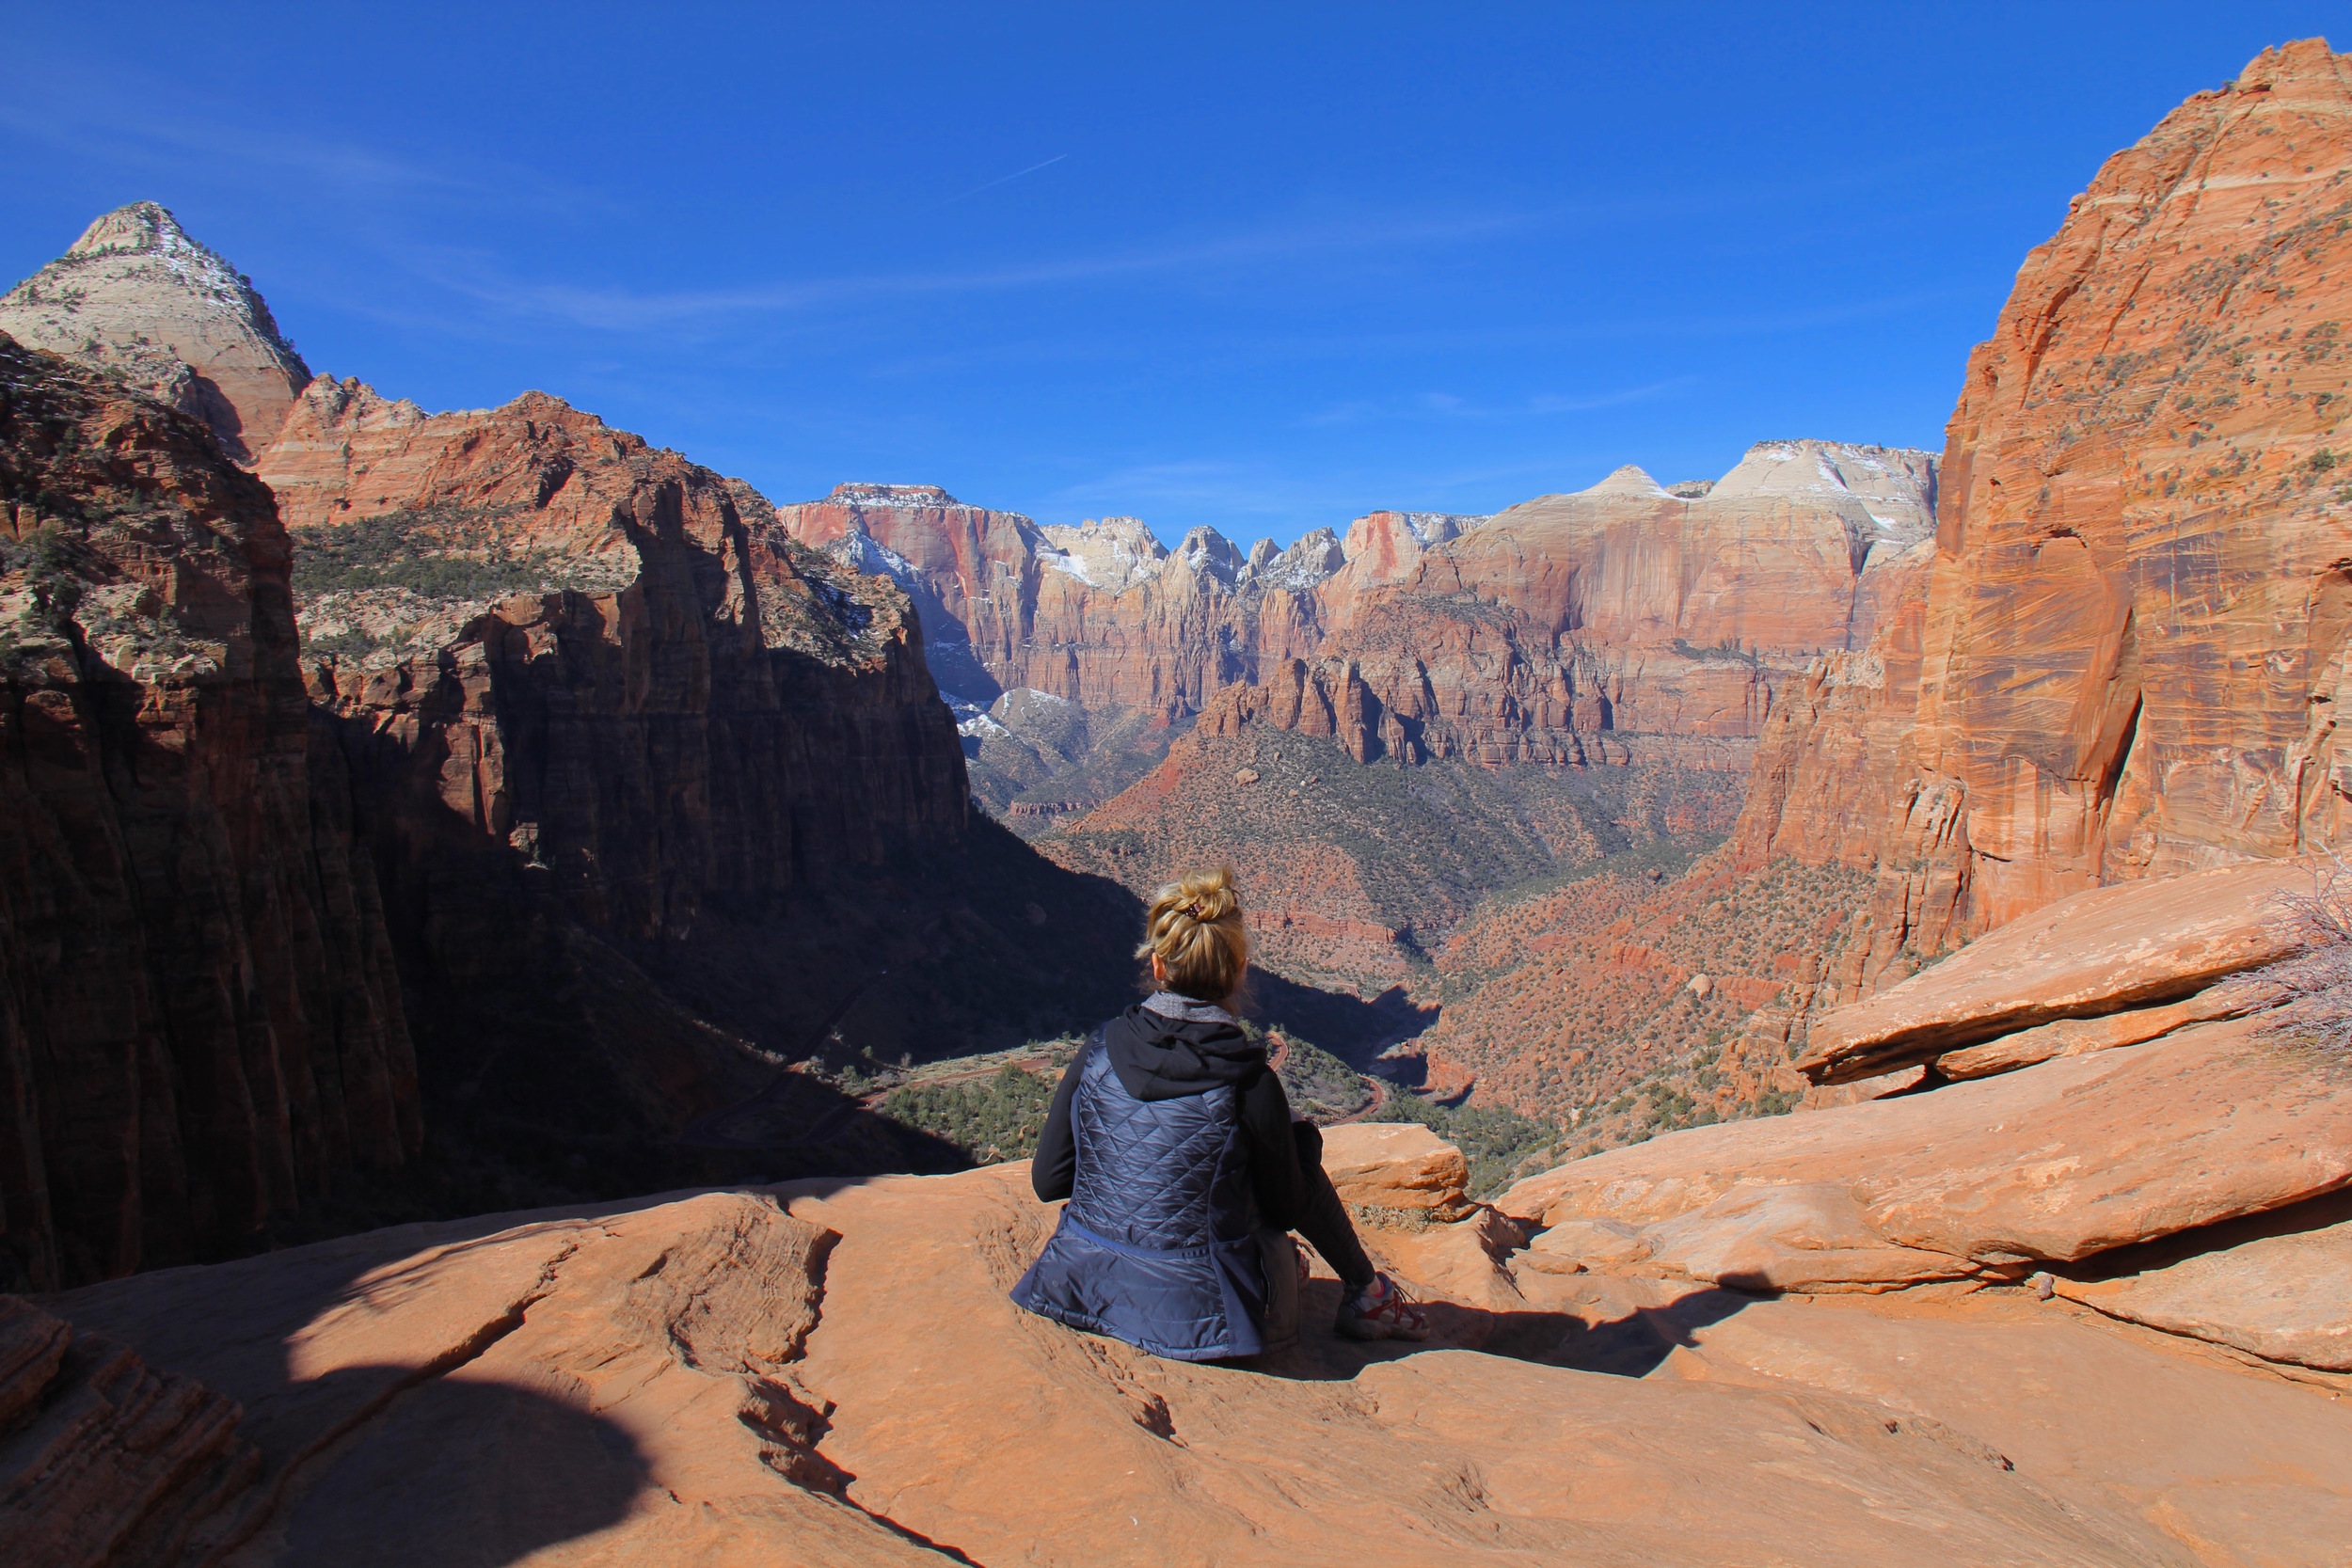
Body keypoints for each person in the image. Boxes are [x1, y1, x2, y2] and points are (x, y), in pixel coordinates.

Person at [1010, 865, 1429, 1361]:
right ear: (1239, 969)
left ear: (1160, 967)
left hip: (1079, 1282)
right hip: (1202, 1314)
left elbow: (1048, 1180)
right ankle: (1368, 1296)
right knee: (1299, 1158)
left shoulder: (1099, 1049)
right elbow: (1286, 1208)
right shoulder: (1249, 1082)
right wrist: (1296, 1145)